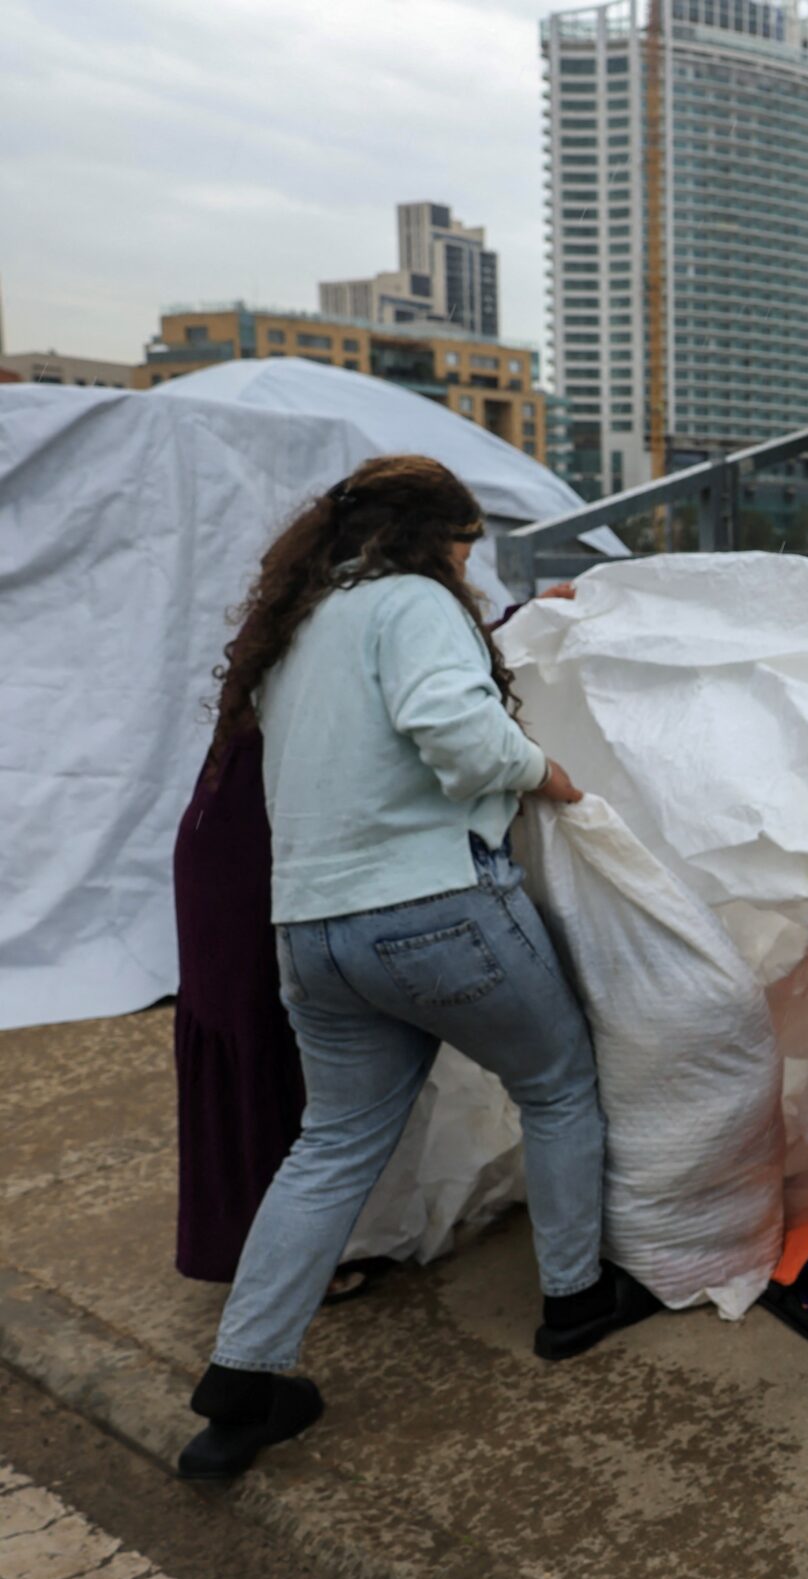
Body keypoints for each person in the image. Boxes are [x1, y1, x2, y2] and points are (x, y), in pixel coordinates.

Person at [178, 455, 655, 1482]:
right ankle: (575, 1300)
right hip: (434, 911)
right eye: (467, 549)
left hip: (312, 932)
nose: (468, 569)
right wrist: (545, 773)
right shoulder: (414, 602)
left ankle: (240, 1383)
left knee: (330, 1144)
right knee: (557, 1082)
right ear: (431, 539)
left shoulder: (298, 627)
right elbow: (456, 734)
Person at [172, 584, 575, 1300]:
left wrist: (520, 616)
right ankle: (276, 1251)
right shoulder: (365, 608)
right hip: (263, 856)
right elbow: (439, 704)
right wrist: (538, 768)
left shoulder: (311, 612)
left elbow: (416, 675)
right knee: (271, 1055)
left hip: (261, 850)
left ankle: (267, 1298)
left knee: (320, 1109)